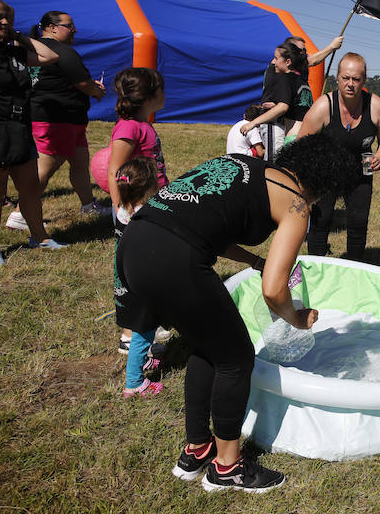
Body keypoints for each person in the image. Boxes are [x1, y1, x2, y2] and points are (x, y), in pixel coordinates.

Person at [118, 133, 353, 493]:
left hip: (135, 244)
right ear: (323, 184)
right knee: (236, 357)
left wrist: (255, 260)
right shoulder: (297, 204)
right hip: (174, 257)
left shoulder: (242, 165)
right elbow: (275, 291)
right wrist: (297, 319)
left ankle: (196, 450)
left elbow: (203, 224)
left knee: (208, 347)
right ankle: (227, 467)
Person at [5, 10, 107, 233]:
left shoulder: (32, 49)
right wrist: (96, 91)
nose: (74, 30)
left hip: (67, 119)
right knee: (44, 169)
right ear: (52, 28)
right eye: (69, 26)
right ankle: (20, 214)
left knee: (79, 163)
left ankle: (89, 206)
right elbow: (83, 83)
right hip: (57, 120)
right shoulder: (62, 52)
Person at [0, 0, 65, 269]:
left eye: (9, 18)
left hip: (20, 129)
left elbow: (50, 55)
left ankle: (40, 237)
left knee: (30, 188)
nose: (5, 22)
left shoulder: (14, 52)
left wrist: (17, 35)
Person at [299, 52, 380, 262]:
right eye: (345, 78)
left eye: (356, 79)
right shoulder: (323, 106)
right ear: (337, 78)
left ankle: (354, 268)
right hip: (326, 171)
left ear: (364, 81)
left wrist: (378, 156)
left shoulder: (376, 107)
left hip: (360, 171)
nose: (350, 84)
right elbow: (302, 146)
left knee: (359, 222)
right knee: (321, 221)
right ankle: (316, 267)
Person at [112, 157, 165, 397]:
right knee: (142, 332)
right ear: (149, 188)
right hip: (141, 281)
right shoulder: (147, 215)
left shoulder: (122, 210)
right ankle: (134, 383)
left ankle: (143, 360)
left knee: (143, 328)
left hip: (124, 276)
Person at [106, 68, 168, 216]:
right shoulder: (129, 127)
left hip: (152, 198)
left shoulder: (143, 124)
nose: (165, 94)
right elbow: (115, 171)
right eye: (162, 89)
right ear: (148, 98)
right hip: (136, 204)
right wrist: (120, 209)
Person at [243, 41, 313, 151]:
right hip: (307, 135)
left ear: (288, 62)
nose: (274, 63)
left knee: (275, 167)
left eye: (276, 58)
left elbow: (283, 107)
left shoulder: (285, 78)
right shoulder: (302, 81)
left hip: (293, 138)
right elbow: (299, 107)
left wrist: (253, 123)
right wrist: (276, 105)